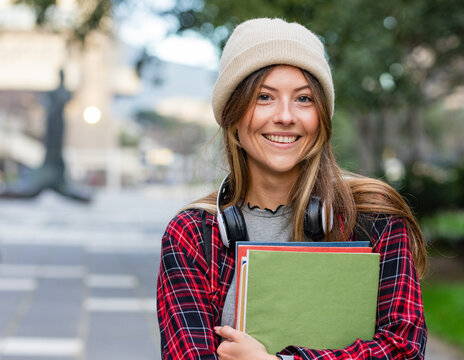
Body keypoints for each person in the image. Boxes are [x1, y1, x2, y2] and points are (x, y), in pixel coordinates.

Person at [157, 18, 427, 360]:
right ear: (232, 116)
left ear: (321, 118)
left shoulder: (375, 217)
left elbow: (403, 349)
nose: (285, 116)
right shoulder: (192, 235)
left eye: (303, 99)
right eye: (264, 97)